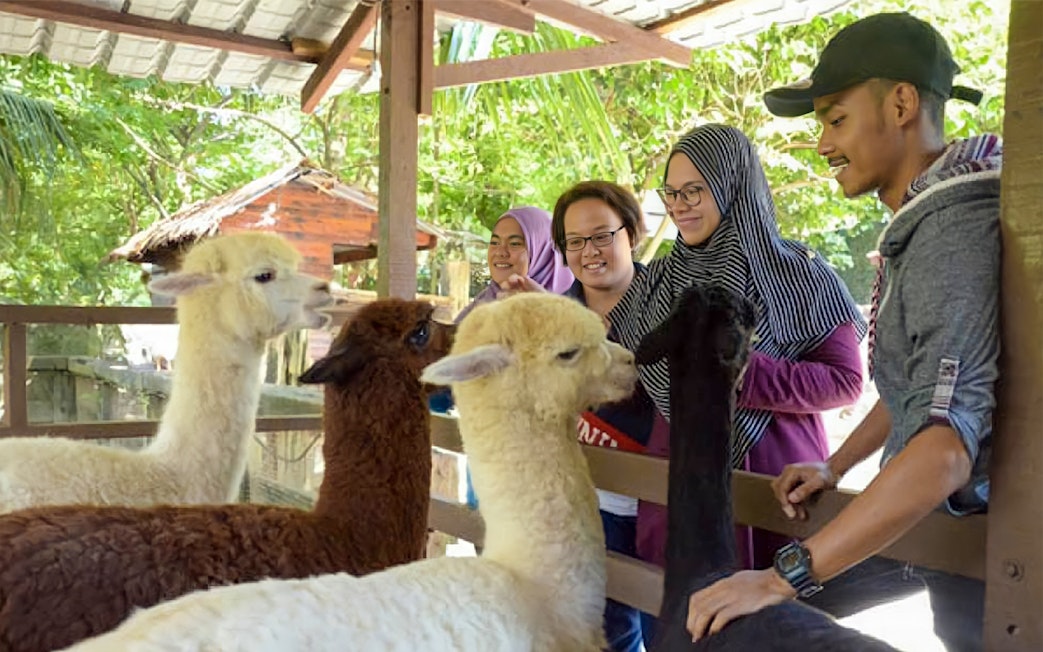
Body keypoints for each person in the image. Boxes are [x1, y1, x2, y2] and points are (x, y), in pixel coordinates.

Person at [684, 13, 1000, 652]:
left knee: (750, 614)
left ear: (902, 103)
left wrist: (785, 577)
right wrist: (835, 464)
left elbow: (945, 446)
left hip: (974, 534)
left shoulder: (952, 234)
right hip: (935, 525)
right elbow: (916, 386)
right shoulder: (923, 224)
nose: (823, 145)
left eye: (835, 120)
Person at [608, 123, 866, 576]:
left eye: (694, 191)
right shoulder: (657, 281)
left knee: (768, 626)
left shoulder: (800, 274)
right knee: (676, 624)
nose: (679, 207)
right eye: (671, 193)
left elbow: (845, 382)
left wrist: (740, 373)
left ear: (732, 185)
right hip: (678, 485)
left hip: (769, 486)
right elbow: (616, 353)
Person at [552, 180, 665, 652]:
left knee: (671, 629)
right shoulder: (554, 317)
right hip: (588, 505)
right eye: (574, 242)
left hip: (664, 505)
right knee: (608, 633)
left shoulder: (670, 300)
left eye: (601, 236)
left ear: (632, 233)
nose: (589, 252)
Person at [455, 206, 574, 322]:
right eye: (495, 242)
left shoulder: (572, 316)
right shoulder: (482, 304)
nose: (500, 252)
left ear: (543, 254)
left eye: (515, 244)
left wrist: (543, 309)